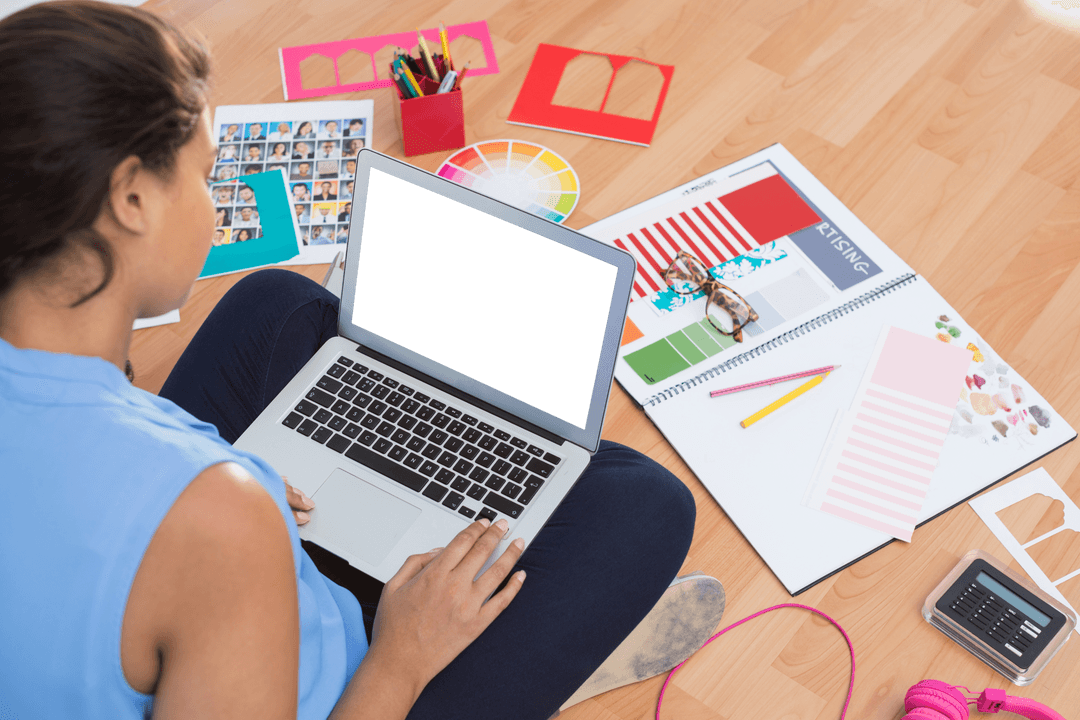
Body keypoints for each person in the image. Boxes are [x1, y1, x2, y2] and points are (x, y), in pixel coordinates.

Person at [0, 5, 696, 720]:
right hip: (348, 679)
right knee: (647, 506)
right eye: (206, 175)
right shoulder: (215, 517)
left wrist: (247, 495)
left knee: (273, 301)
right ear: (132, 197)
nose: (214, 202)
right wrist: (403, 656)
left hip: (241, 591)